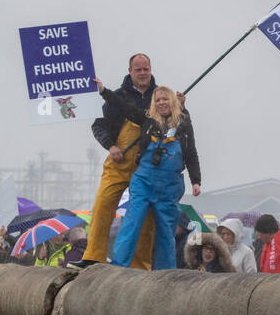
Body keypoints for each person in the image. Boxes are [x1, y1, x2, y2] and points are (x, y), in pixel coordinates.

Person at [73, 53, 169, 268]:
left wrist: (180, 104)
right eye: (138, 70)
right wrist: (111, 145)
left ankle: (140, 264)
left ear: (151, 70)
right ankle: (93, 256)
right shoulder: (117, 96)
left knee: (145, 217)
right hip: (117, 163)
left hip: (147, 166)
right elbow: (98, 126)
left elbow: (177, 120)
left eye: (146, 69)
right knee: (102, 204)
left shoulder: (161, 97)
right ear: (130, 71)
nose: (143, 73)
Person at [108, 86, 203, 270]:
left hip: (169, 185)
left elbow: (191, 153)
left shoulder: (183, 124)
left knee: (166, 232)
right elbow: (123, 107)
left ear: (173, 102)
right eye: (157, 100)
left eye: (165, 99)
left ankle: (165, 273)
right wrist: (104, 91)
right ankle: (118, 266)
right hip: (144, 180)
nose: (161, 103)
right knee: (132, 222)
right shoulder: (148, 120)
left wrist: (196, 181)